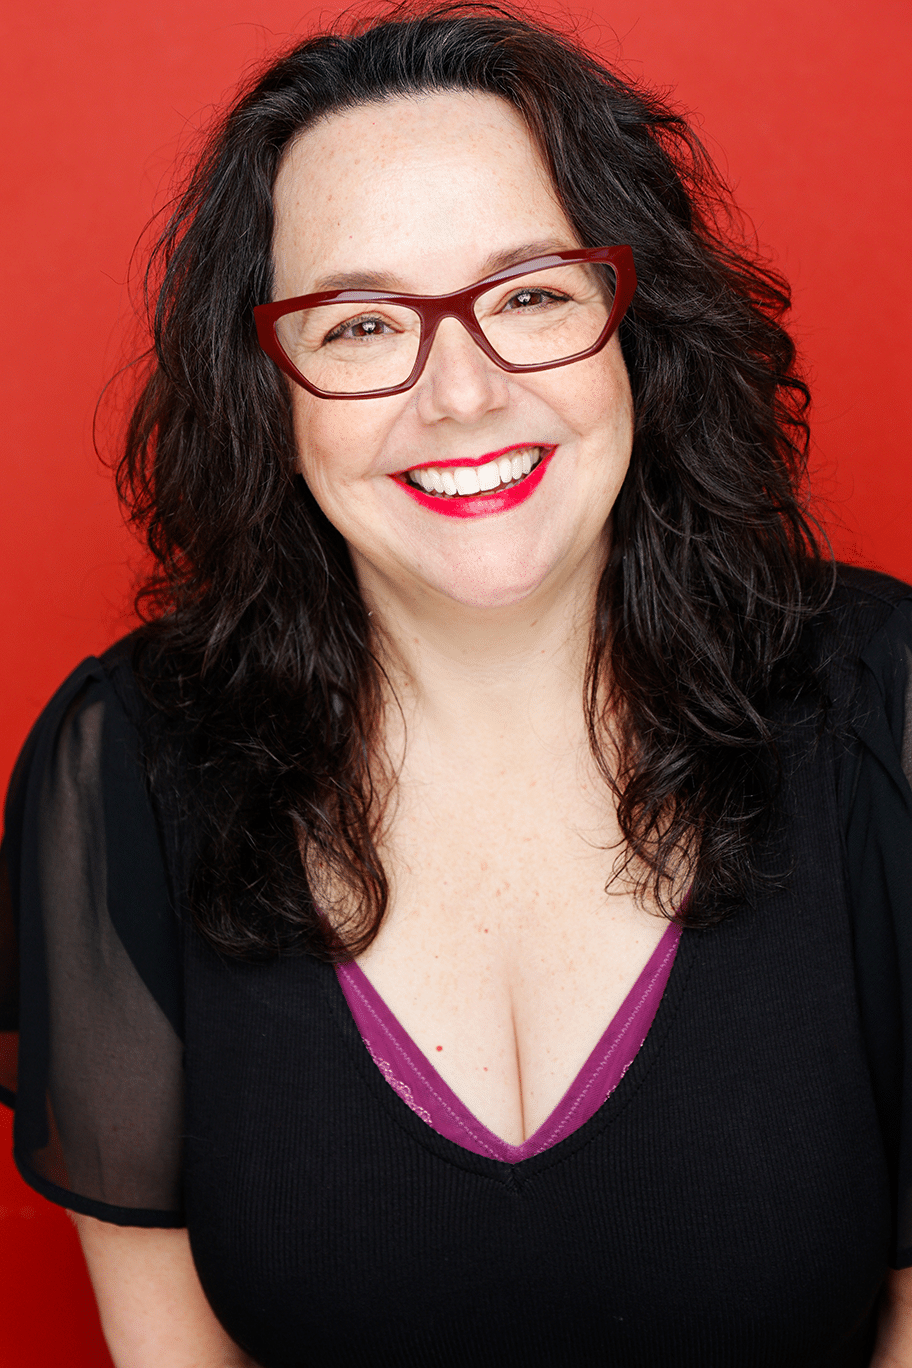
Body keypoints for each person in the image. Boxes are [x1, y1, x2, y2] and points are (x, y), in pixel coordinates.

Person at [2, 4, 911, 1364]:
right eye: (362, 325)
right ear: (268, 390)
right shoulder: (122, 768)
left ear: (636, 329)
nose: (463, 395)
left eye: (531, 294)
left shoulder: (889, 707)